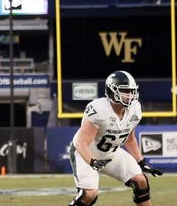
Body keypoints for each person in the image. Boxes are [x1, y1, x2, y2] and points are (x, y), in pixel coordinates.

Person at [68, 71, 162, 206]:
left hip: (110, 152)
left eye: (131, 91)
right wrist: (92, 161)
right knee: (89, 195)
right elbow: (81, 142)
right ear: (112, 91)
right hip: (85, 153)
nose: (130, 95)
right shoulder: (99, 110)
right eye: (125, 91)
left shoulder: (135, 109)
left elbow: (130, 140)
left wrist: (141, 162)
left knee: (141, 181)